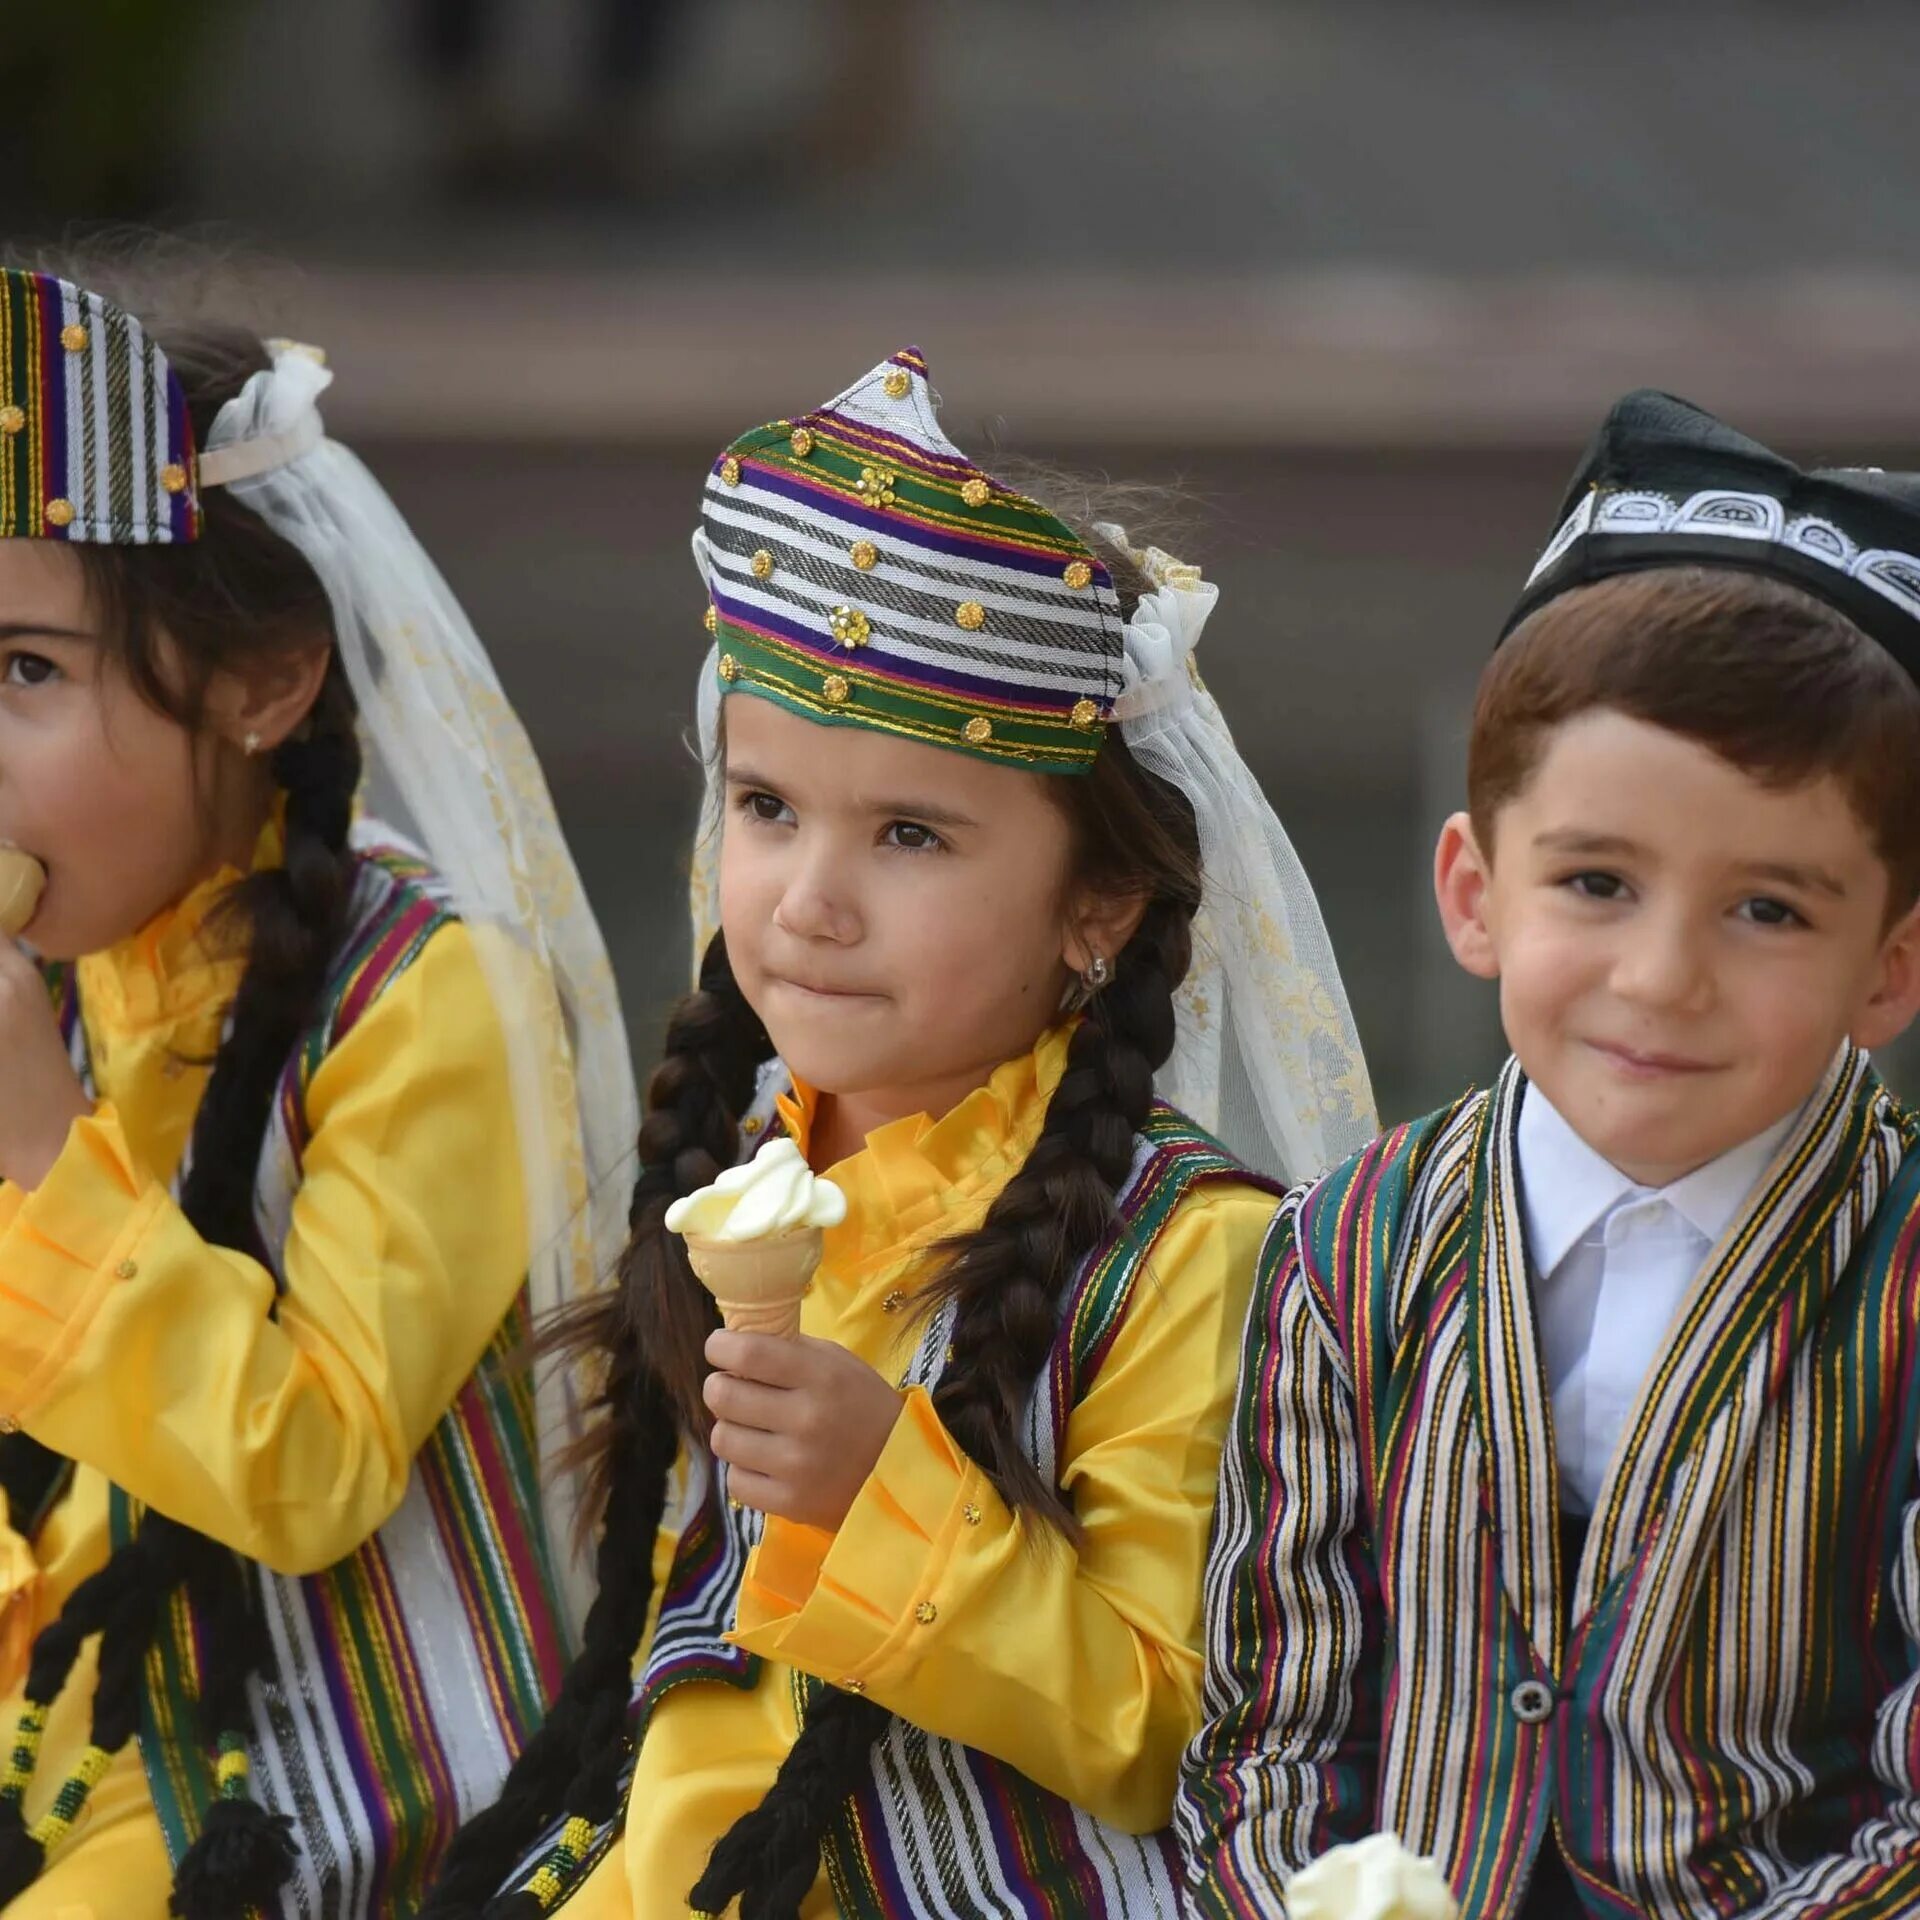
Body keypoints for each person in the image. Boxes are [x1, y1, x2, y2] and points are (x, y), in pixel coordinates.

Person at [423, 346, 1375, 1917]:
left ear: (1098, 904)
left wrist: (888, 1489)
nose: (807, 902)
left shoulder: (1190, 1257)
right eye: (769, 807)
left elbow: (1160, 1734)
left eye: (911, 834)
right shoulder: (752, 1172)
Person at [1178, 390, 1920, 1918]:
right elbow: (1271, 1721)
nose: (1661, 977)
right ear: (1475, 893)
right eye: (1595, 882)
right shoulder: (1346, 1250)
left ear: (1893, 967)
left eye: (1767, 909)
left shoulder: (1904, 1279)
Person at [0, 265, 635, 1917]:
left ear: (266, 682)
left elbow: (307, 1471)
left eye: (24, 673)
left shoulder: (428, 995)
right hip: (67, 1720)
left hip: (337, 1774)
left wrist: (30, 1135)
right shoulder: (73, 962)